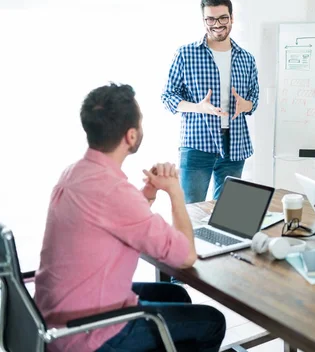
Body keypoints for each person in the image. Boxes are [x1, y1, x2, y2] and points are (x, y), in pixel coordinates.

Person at [34, 83, 225, 352]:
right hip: (89, 334)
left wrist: (147, 193)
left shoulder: (74, 173)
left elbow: (111, 217)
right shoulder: (115, 192)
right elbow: (185, 257)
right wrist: (175, 191)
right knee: (212, 322)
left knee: (176, 294)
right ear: (131, 135)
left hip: (57, 316)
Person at [161, 0, 259, 203]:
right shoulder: (186, 54)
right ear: (204, 20)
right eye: (210, 19)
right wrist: (199, 107)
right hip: (197, 143)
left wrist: (245, 105)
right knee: (190, 211)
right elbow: (168, 96)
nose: (217, 24)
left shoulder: (246, 59)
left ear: (231, 18)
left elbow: (254, 101)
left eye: (223, 18)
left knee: (229, 213)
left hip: (236, 144)